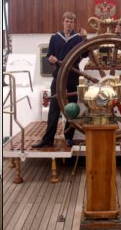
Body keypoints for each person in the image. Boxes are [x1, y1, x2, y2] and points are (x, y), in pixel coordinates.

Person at [32, 11, 87, 148]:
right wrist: (51, 59)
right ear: (63, 22)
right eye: (67, 21)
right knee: (54, 109)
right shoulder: (55, 38)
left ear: (74, 24)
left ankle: (69, 137)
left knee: (72, 108)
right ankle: (48, 139)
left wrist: (85, 38)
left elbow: (85, 53)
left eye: (71, 22)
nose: (69, 24)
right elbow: (50, 54)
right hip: (58, 75)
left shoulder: (78, 39)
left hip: (73, 76)